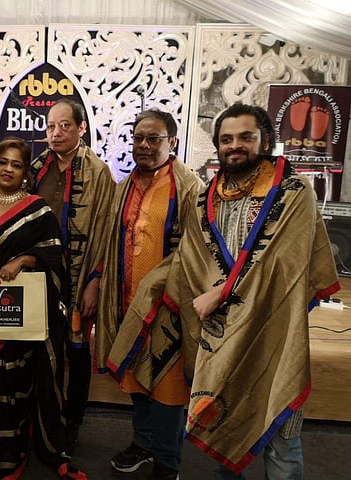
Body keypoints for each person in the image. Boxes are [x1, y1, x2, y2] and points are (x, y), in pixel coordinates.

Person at [112, 103, 340, 479]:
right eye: (226, 139)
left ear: (265, 140)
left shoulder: (293, 191)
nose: (235, 146)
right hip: (220, 336)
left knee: (280, 440)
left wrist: (220, 293)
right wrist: (153, 288)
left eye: (245, 137)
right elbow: (190, 258)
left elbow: (280, 261)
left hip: (273, 331)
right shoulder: (208, 197)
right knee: (226, 427)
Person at [0, 137, 87, 480]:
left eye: (16, 164)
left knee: (19, 373)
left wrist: (24, 260)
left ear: (26, 172)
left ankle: (19, 439)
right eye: (2, 162)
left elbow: (54, 255)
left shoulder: (37, 209)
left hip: (24, 307)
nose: (8, 169)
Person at [96, 109, 203, 480]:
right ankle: (143, 443)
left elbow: (196, 251)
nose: (143, 145)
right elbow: (109, 240)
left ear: (172, 142)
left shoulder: (188, 188)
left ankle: (167, 462)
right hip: (128, 302)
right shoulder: (124, 186)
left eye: (153, 138)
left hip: (168, 306)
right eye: (138, 138)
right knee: (136, 377)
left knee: (168, 388)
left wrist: (161, 289)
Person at [30, 98, 115, 449]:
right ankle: (44, 416)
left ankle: (74, 419)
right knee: (40, 347)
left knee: (77, 351)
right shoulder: (36, 168)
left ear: (81, 128)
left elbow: (107, 231)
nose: (56, 133)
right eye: (51, 126)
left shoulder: (98, 172)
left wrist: (95, 280)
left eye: (65, 125)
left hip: (80, 276)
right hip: (39, 276)